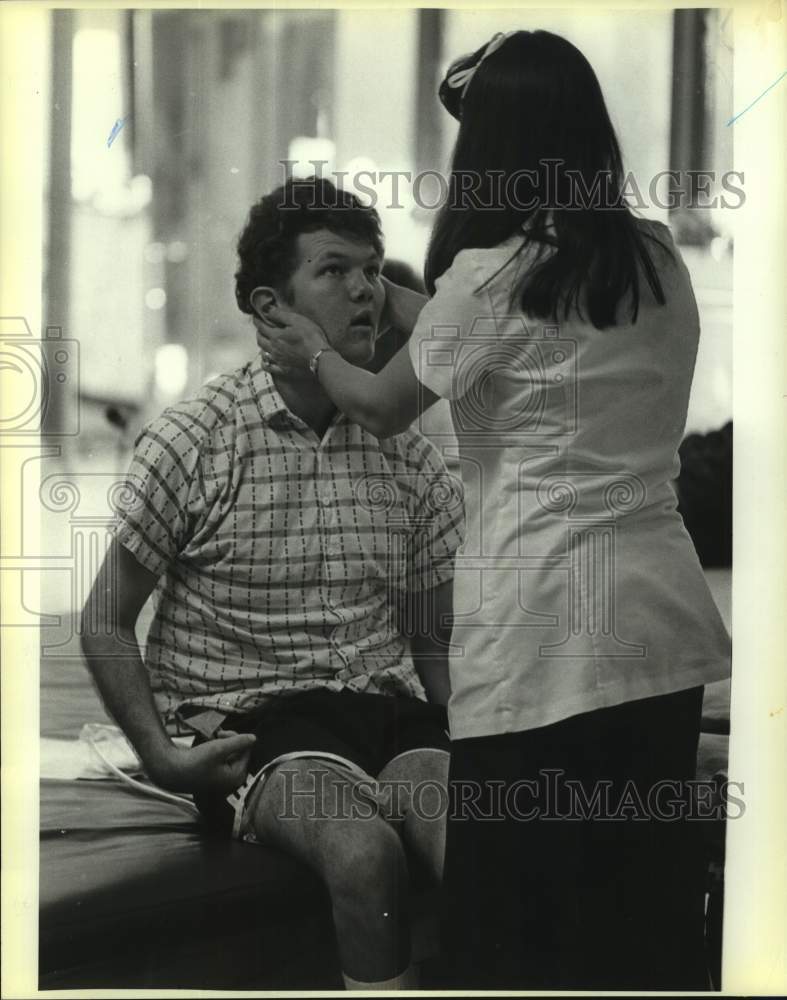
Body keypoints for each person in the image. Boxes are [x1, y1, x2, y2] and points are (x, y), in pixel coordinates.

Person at [254, 30, 733, 990]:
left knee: (515, 940)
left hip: (542, 643)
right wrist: (409, 305)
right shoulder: (653, 258)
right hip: (660, 630)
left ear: (495, 144)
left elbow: (386, 405)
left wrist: (315, 349)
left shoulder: (489, 276)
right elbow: (531, 340)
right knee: (636, 929)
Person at [81, 178, 465, 992]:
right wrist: (161, 759)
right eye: (333, 271)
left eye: (369, 270)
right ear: (271, 307)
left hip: (387, 710)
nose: (364, 289)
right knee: (363, 855)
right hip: (260, 721)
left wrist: (481, 738)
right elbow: (107, 620)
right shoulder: (195, 439)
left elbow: (434, 643)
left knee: (472, 841)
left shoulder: (412, 459)